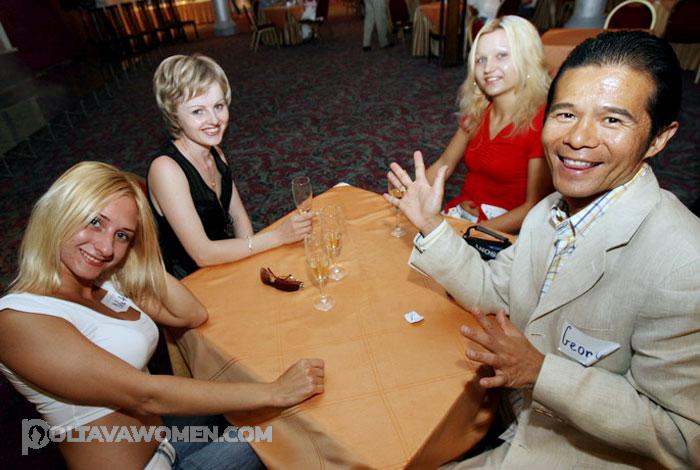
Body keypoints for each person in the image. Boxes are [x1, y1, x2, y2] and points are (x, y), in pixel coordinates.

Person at [386, 30, 699, 468]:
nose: (578, 138)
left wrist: (541, 372)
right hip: (514, 410)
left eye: (612, 120)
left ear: (659, 138)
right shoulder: (548, 212)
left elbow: (684, 438)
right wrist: (432, 225)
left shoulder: (685, 263)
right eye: (566, 114)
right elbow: (495, 292)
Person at [0, 162, 325, 469]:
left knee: (283, 407)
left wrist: (136, 256)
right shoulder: (18, 320)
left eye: (122, 235)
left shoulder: (102, 284)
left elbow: (190, 314)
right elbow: (145, 396)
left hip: (165, 439)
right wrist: (275, 391)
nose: (105, 247)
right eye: (95, 222)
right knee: (289, 428)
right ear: (59, 212)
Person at [149, 54, 313, 279]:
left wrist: (251, 265)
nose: (214, 120)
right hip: (193, 281)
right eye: (198, 111)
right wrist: (277, 237)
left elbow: (238, 216)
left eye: (218, 106)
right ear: (174, 116)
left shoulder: (215, 153)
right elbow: (202, 253)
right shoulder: (166, 169)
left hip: (226, 263)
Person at [425, 16, 552, 234]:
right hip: (463, 217)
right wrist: (410, 192)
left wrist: (473, 231)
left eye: (501, 56)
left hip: (504, 233)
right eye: (481, 59)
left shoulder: (541, 123)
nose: (488, 68)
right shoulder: (478, 111)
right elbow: (444, 165)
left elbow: (534, 207)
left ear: (527, 60)